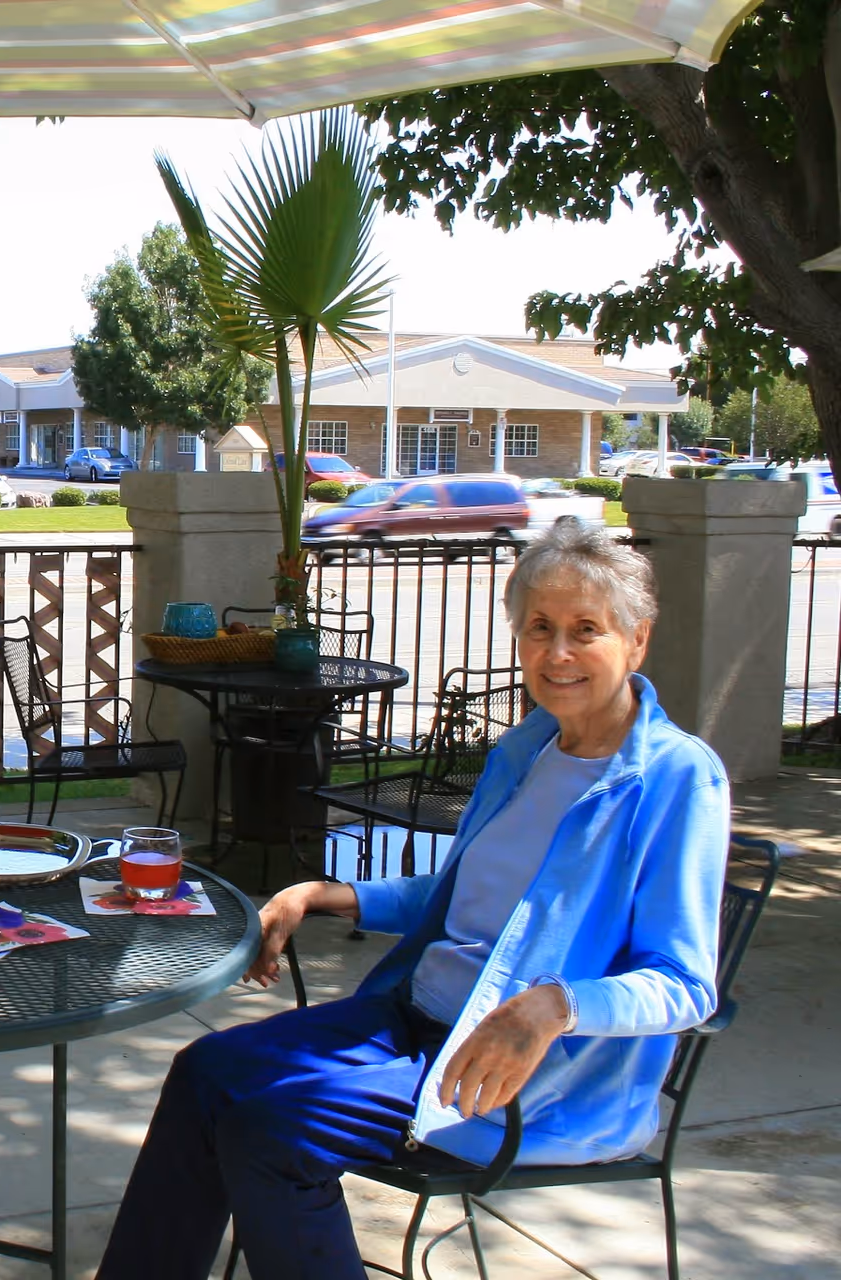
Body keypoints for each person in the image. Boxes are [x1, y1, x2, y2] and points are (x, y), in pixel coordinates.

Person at [97, 516, 730, 1280]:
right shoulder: (527, 748)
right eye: (539, 627)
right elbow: (468, 894)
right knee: (205, 1072)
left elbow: (685, 986)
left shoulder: (675, 778)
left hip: (531, 1079)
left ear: (637, 640)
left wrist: (552, 1006)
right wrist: (326, 893)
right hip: (417, 1015)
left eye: (585, 629)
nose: (557, 653)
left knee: (272, 1132)